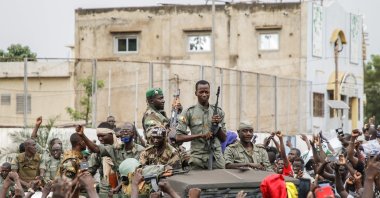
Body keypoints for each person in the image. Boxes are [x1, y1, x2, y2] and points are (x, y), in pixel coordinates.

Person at [176, 80, 227, 170]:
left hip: (216, 159)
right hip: (197, 159)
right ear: (196, 93)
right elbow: (178, 137)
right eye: (201, 92)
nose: (204, 95)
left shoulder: (218, 112)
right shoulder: (188, 112)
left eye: (206, 92)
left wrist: (217, 126)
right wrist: (201, 135)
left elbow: (224, 139)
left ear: (210, 93)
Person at [76, 123, 145, 178]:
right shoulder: (103, 150)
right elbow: (89, 167)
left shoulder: (139, 150)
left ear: (111, 134)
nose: (100, 139)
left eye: (103, 136)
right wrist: (82, 161)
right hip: (106, 189)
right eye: (98, 136)